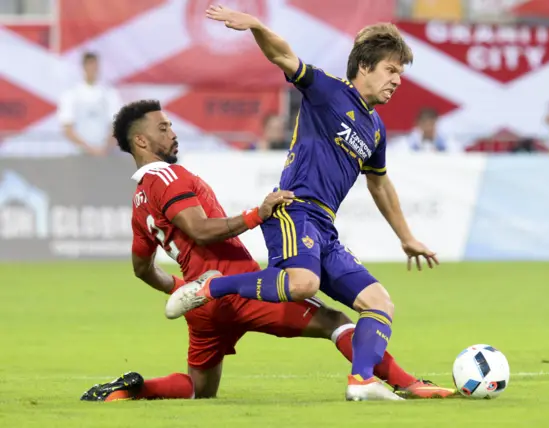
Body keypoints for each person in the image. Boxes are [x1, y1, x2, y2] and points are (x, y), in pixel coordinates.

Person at [81, 100, 455, 402]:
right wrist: (255, 215)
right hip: (237, 287)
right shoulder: (168, 176)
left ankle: (137, 387)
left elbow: (141, 269)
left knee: (200, 388)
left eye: (171, 125)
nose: (173, 133)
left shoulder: (139, 201)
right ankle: (407, 383)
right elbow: (198, 229)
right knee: (334, 321)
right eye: (163, 128)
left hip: (200, 307)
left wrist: (180, 288)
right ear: (141, 142)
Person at [167, 6, 442, 401]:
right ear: (364, 66)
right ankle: (214, 286)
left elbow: (379, 184)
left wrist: (407, 237)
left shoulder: (376, 129)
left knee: (379, 302)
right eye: (391, 70)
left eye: (400, 72)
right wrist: (258, 26)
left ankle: (361, 381)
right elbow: (282, 54)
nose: (397, 80)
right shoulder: (328, 90)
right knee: (303, 284)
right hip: (293, 209)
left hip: (324, 226)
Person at [58, 52, 122, 156]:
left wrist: (105, 148)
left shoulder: (109, 93)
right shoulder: (71, 94)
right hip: (79, 154)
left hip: (105, 154)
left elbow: (116, 125)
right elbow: (67, 127)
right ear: (83, 67)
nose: (92, 69)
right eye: (89, 65)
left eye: (94, 65)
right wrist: (88, 149)